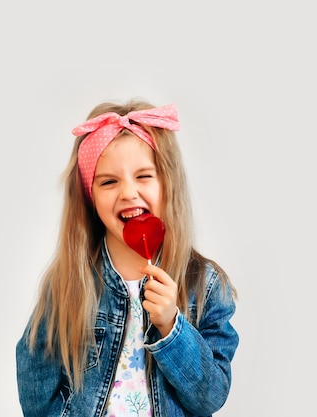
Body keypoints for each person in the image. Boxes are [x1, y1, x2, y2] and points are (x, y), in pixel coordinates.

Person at [16, 99, 239, 417]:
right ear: (89, 196)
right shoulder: (70, 283)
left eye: (144, 176)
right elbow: (36, 385)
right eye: (109, 181)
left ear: (168, 184)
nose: (128, 192)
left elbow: (210, 397)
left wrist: (171, 327)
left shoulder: (205, 284)